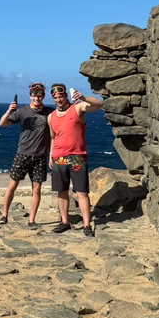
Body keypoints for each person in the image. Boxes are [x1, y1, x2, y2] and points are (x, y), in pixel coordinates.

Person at [46, 84, 104, 236]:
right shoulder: (51, 116)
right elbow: (53, 137)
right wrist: (51, 155)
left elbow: (99, 104)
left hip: (77, 156)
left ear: (66, 95)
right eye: (56, 98)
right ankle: (64, 222)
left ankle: (87, 225)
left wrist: (83, 97)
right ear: (53, 98)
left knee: (82, 192)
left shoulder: (78, 107)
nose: (59, 99)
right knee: (61, 191)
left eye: (61, 96)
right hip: (59, 157)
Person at [0, 82, 53, 228]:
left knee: (36, 189)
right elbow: (2, 124)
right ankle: (4, 215)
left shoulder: (49, 112)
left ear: (43, 97)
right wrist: (9, 111)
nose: (37, 98)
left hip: (40, 156)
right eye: (35, 95)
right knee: (13, 185)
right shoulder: (22, 111)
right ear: (30, 96)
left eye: (40, 96)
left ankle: (32, 220)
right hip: (23, 154)